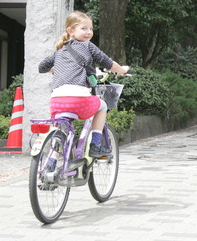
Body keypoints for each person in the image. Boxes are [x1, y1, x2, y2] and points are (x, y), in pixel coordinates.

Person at [39, 11, 129, 157]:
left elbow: (41, 67)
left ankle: (53, 162)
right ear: (70, 31)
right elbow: (108, 63)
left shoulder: (59, 51)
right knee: (103, 106)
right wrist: (122, 69)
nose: (89, 32)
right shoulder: (88, 46)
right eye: (84, 28)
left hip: (56, 102)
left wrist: (56, 69)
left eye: (91, 29)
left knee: (61, 128)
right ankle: (95, 145)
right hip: (79, 101)